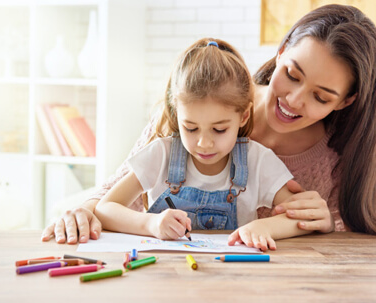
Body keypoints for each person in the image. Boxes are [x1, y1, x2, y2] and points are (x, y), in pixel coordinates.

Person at [42, 4, 376, 245]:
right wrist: (86, 211)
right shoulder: (202, 102)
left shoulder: (338, 157)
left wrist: (325, 223)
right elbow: (114, 195)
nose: (294, 100)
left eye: (321, 97)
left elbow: (339, 241)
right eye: (291, 74)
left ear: (345, 101)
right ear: (281, 50)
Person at [93, 38, 312, 251]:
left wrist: (264, 226)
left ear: (244, 116)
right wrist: (150, 223)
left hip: (233, 276)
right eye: (190, 128)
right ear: (177, 114)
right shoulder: (162, 154)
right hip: (164, 276)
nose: (204, 143)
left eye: (219, 129)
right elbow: (105, 208)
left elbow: (301, 217)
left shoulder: (257, 160)